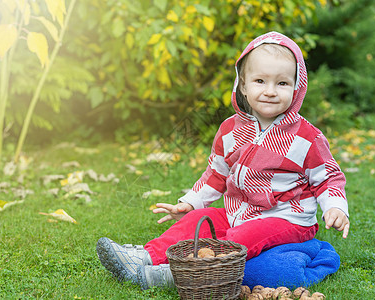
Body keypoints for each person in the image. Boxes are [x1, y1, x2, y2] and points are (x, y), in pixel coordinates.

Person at [96, 31, 350, 290]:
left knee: (242, 237)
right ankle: (144, 256)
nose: (270, 91)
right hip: (238, 213)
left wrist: (335, 206)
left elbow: (328, 176)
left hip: (287, 219)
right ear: (243, 85)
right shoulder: (230, 131)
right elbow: (217, 174)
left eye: (282, 83)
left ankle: (176, 275)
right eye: (260, 81)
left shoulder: (306, 137)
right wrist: (190, 202)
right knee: (199, 220)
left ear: (297, 86)